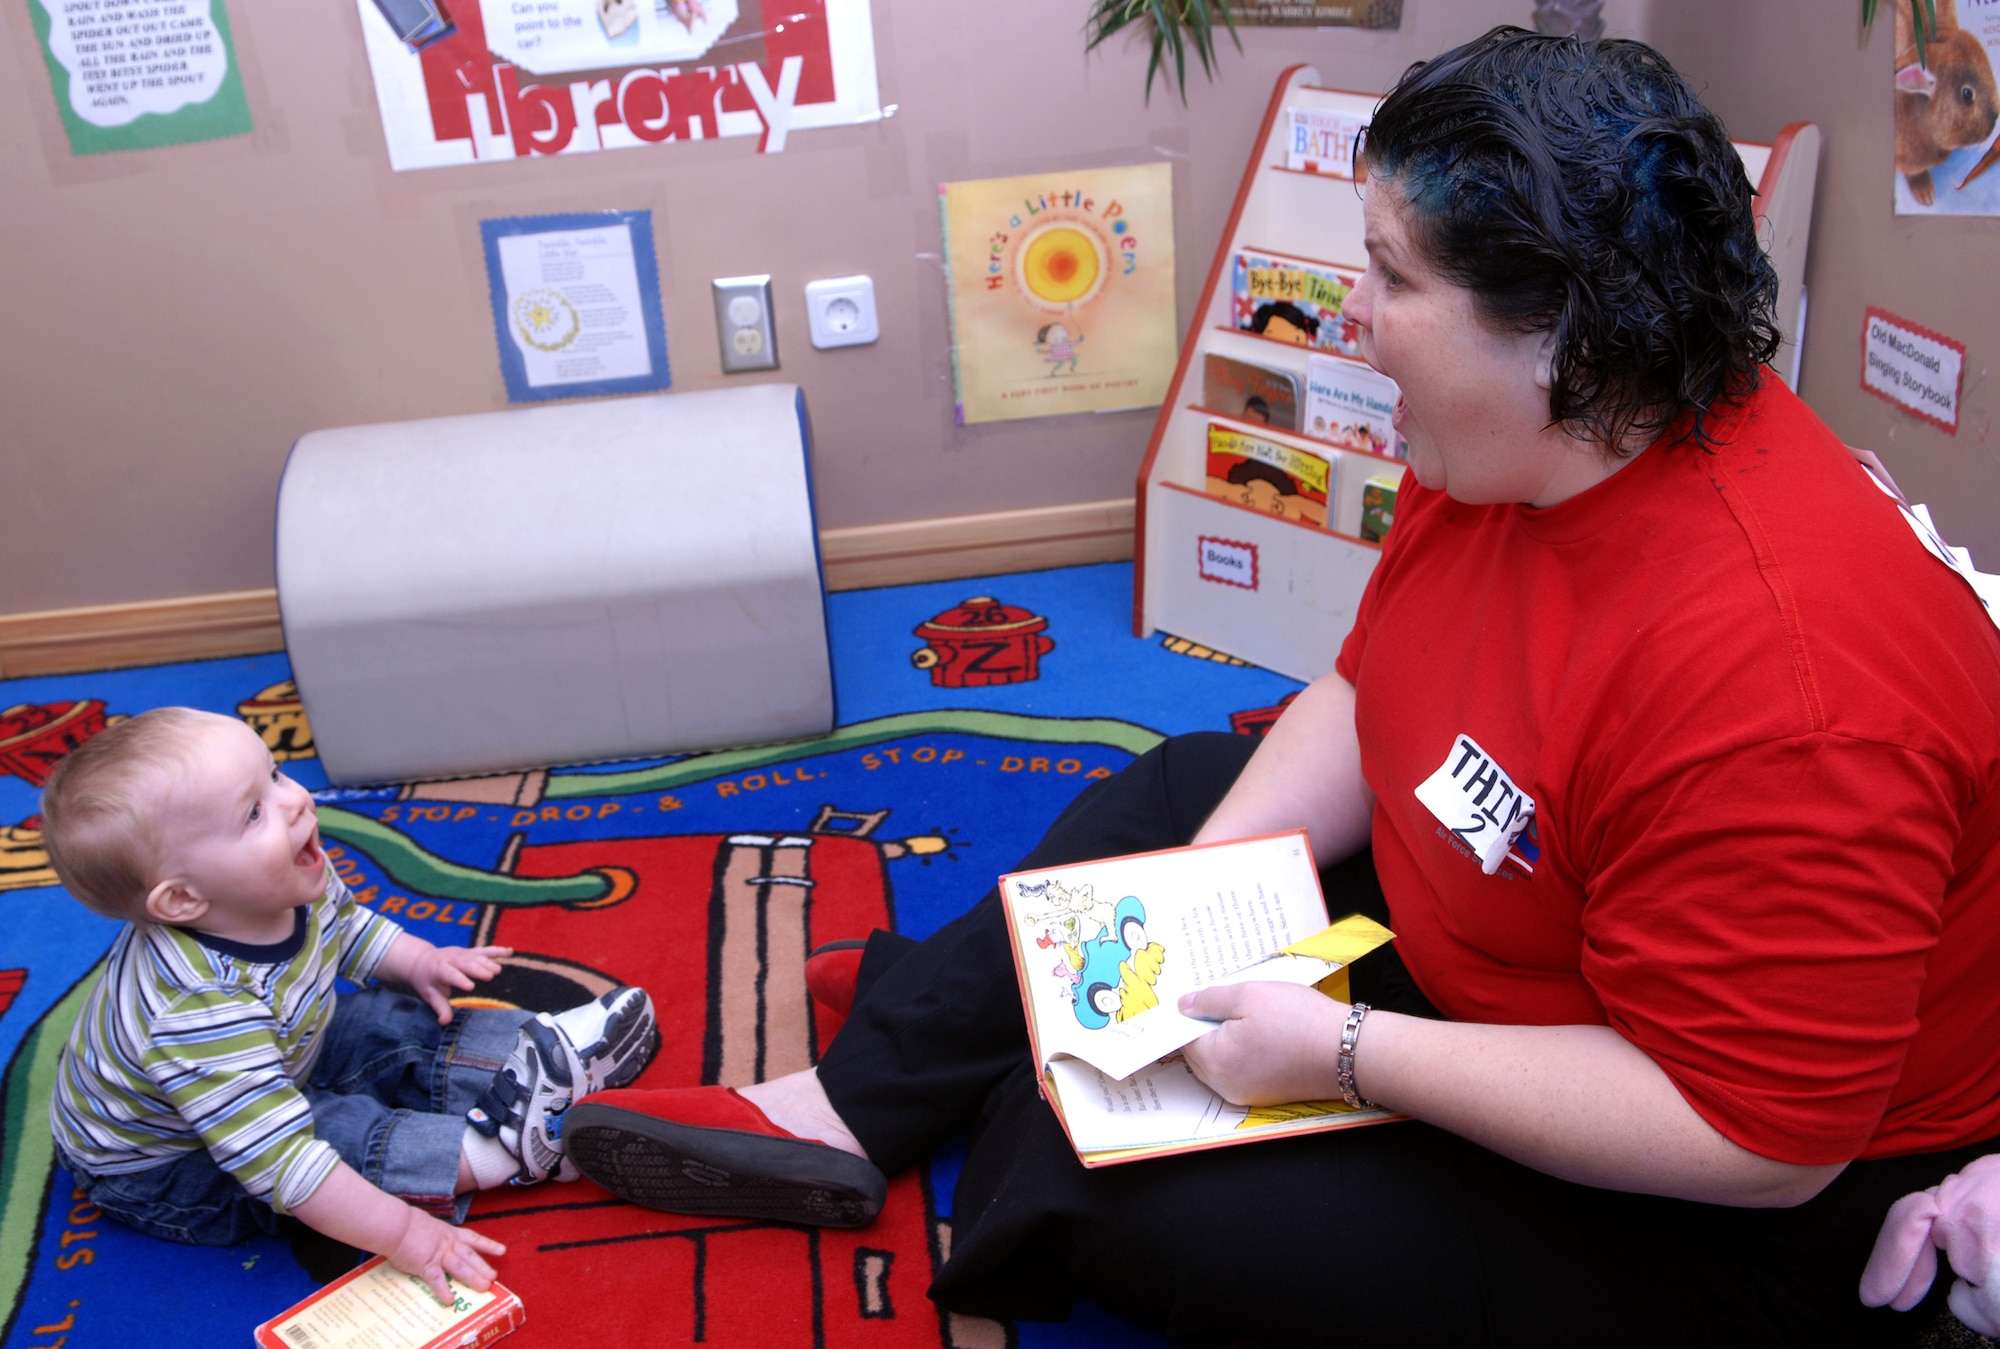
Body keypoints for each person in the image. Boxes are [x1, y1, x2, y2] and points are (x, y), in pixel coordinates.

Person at [562, 28, 2000, 1345]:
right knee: (1170, 796)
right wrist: (1196, 894)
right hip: (1519, 937)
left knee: (1117, 1186)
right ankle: (864, 1098)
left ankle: (980, 1042)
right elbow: (1371, 691)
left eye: (1394, 277)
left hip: (1725, 1185)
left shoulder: (1791, 701)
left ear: (1561, 332)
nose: (1354, 316)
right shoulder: (1525, 438)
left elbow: (1750, 1135)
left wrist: (1354, 1054)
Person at [38, 707, 661, 1303]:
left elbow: (346, 927)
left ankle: (544, 1052)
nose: (294, 800)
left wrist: (418, 961)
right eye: (253, 812)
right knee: (333, 1132)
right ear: (182, 900)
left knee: (381, 1022)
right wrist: (407, 1235)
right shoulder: (197, 1013)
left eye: (275, 773)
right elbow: (284, 1166)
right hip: (168, 1164)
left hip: (278, 1049)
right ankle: (495, 1152)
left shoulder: (283, 876)